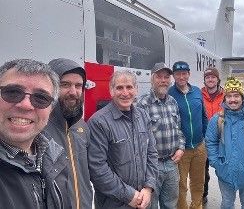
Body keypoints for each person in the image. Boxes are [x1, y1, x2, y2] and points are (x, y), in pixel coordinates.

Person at [0, 59, 70, 208]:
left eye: (41, 98)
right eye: (12, 92)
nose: (25, 105)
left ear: (51, 110)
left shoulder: (57, 159)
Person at [87, 70, 158, 209]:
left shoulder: (143, 116)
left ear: (136, 89)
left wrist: (149, 187)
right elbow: (97, 168)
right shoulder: (98, 122)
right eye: (119, 87)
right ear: (111, 91)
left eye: (129, 87)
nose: (125, 93)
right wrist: (129, 195)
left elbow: (152, 153)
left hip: (143, 199)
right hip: (114, 203)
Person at [45, 58, 93, 209]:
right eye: (65, 84)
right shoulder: (39, 128)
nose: (73, 92)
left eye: (78, 85)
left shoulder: (83, 127)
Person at [137, 62, 186, 209]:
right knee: (150, 205)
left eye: (166, 77)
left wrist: (181, 148)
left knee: (170, 204)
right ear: (152, 79)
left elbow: (178, 129)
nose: (163, 80)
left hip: (172, 163)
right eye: (159, 77)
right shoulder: (142, 104)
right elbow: (138, 138)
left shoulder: (173, 102)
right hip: (152, 165)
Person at [205, 77, 244, 209]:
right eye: (229, 96)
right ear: (224, 98)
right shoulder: (217, 120)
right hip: (225, 172)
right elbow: (210, 142)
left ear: (242, 97)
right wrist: (216, 163)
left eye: (236, 96)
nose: (232, 99)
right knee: (227, 204)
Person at [168, 61, 208, 209]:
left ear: (189, 74)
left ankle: (197, 206)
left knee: (198, 182)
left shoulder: (197, 91)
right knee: (181, 185)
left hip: (199, 146)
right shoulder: (170, 94)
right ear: (174, 76)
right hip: (180, 149)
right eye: (178, 74)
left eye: (184, 73)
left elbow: (204, 116)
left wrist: (205, 137)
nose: (181, 77)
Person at [201, 67, 225, 204]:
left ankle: (227, 197)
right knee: (203, 172)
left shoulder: (226, 95)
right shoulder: (198, 94)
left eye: (213, 77)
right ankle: (203, 195)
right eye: (207, 77)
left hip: (221, 141)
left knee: (223, 169)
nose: (210, 79)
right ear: (204, 80)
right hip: (203, 140)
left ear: (217, 79)